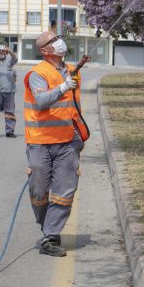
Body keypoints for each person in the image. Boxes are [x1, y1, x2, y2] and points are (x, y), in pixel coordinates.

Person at [24, 30, 89, 257]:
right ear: (45, 50)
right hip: (40, 141)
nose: (60, 41)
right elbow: (41, 101)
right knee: (39, 191)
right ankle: (47, 226)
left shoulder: (71, 71)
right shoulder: (37, 73)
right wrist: (63, 87)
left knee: (65, 191)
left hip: (68, 141)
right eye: (54, 39)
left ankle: (50, 236)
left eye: (58, 37)